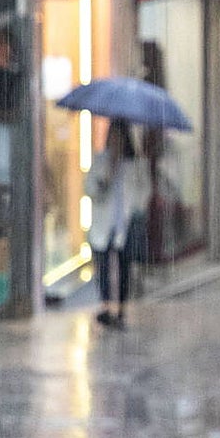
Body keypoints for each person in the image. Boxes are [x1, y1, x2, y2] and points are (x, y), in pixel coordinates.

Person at [86, 120, 151, 327]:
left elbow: (144, 192)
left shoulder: (136, 164)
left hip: (126, 224)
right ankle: (106, 307)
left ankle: (121, 310)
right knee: (103, 267)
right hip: (104, 224)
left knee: (124, 267)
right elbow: (90, 189)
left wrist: (136, 208)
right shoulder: (100, 161)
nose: (116, 141)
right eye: (113, 136)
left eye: (119, 137)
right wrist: (108, 175)